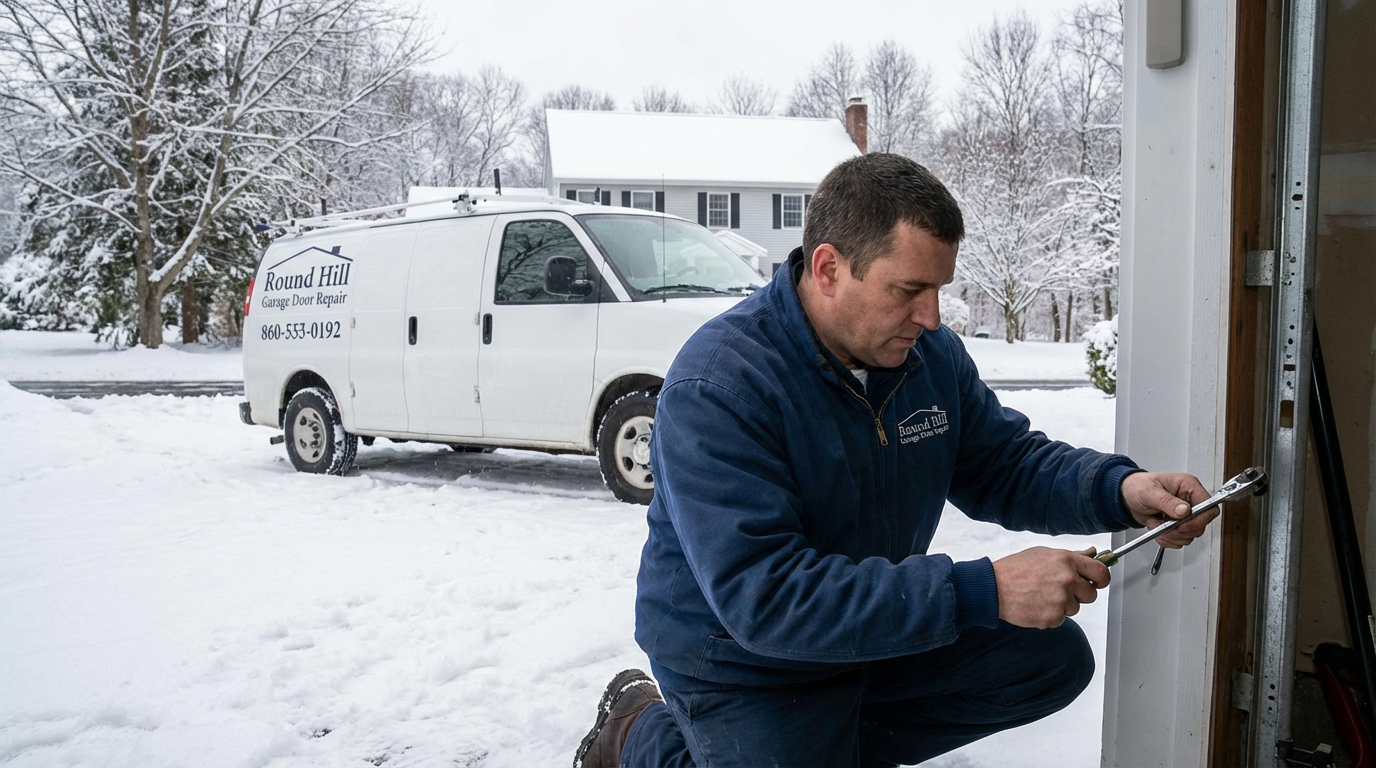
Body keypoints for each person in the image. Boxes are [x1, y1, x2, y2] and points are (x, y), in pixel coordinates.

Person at [572, 153, 1216, 768]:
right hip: (746, 660)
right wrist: (986, 590)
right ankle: (637, 733)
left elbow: (1002, 463)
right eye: (910, 290)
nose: (931, 318)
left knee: (1050, 661)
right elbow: (766, 598)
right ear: (829, 268)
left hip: (872, 624)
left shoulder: (925, 358)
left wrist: (1120, 491)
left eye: (938, 290)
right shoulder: (721, 386)